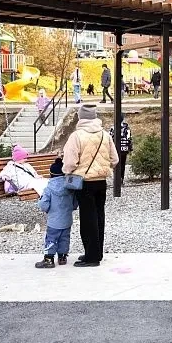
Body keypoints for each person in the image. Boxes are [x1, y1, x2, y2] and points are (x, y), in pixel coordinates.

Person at [63, 104, 119, 267]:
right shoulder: (105, 135)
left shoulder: (76, 136)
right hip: (101, 182)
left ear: (80, 117)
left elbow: (70, 162)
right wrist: (104, 168)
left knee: (88, 219)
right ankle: (96, 253)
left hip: (84, 183)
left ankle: (91, 257)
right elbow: (115, 159)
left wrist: (67, 172)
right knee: (99, 217)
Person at [35, 158, 77, 269]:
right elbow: (75, 203)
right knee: (65, 238)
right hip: (67, 220)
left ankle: (49, 259)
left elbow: (43, 204)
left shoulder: (48, 188)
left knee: (51, 239)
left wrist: (47, 209)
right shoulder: (70, 187)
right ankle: (62, 257)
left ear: (51, 174)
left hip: (54, 221)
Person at [109, 113, 133, 183]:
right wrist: (130, 148)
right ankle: (121, 178)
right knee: (122, 163)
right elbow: (129, 139)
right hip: (124, 148)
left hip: (115, 149)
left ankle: (116, 178)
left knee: (115, 163)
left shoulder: (113, 128)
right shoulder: (127, 128)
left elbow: (109, 138)